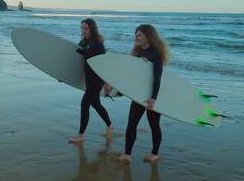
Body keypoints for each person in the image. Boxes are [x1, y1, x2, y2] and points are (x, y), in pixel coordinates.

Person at [116, 24, 169, 163]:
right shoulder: (138, 52)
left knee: (154, 125)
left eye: (139, 35)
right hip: (139, 95)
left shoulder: (156, 54)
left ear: (148, 36)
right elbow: (132, 74)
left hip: (152, 95)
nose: (136, 38)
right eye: (136, 35)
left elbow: (157, 78)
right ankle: (127, 154)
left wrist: (153, 98)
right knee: (131, 124)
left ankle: (154, 153)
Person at [68, 18, 113, 143]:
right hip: (88, 78)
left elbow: (103, 65)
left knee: (85, 104)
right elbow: (77, 61)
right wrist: (65, 76)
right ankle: (110, 125)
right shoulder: (83, 42)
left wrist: (106, 83)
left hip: (96, 80)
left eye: (86, 28)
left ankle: (81, 135)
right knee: (96, 104)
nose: (84, 30)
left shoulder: (98, 44)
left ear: (92, 29)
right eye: (82, 28)